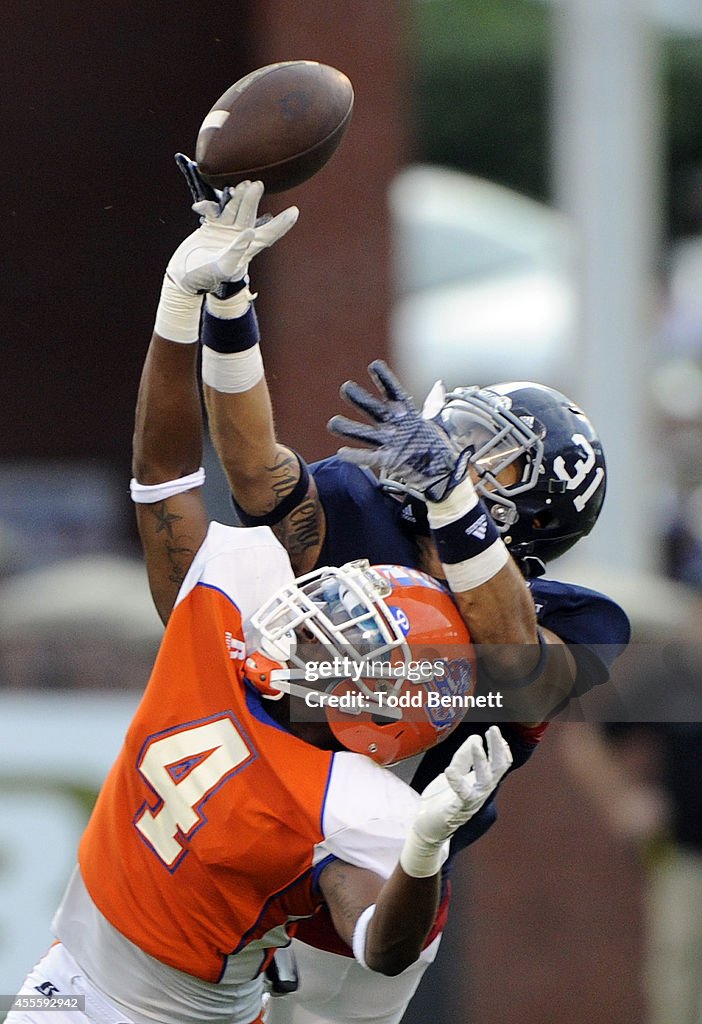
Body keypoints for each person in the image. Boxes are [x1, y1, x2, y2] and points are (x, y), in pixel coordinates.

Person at [5, 178, 515, 1024]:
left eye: (343, 639)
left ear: (369, 710)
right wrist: (183, 311)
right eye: (338, 607)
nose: (312, 625)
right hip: (72, 971)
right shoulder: (227, 626)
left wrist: (425, 846)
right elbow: (163, 476)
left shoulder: (353, 806)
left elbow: (379, 949)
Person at [163, 163, 631, 1024]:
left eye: (494, 456)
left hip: (372, 890)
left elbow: (514, 661)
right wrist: (228, 302)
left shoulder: (575, 620)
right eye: (466, 434)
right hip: (261, 831)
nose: (456, 450)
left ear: (531, 512)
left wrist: (457, 510)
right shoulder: (359, 506)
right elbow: (254, 467)